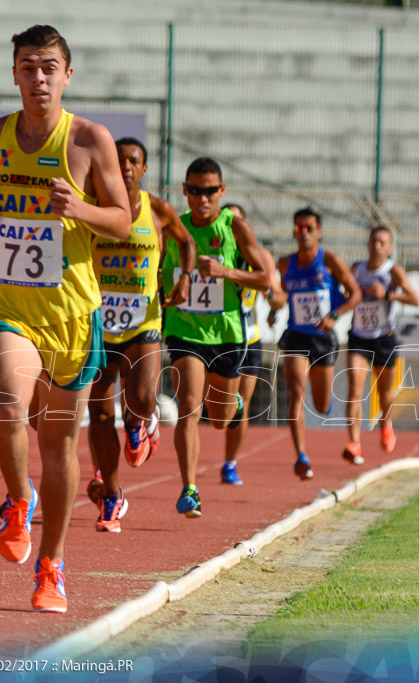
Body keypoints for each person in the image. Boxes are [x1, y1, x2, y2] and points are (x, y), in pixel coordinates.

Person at [0, 25, 131, 613]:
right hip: (9, 306)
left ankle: (53, 566)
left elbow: (123, 220)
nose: (39, 77)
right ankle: (17, 498)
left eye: (49, 67)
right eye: (28, 66)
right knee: (6, 401)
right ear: (14, 73)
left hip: (73, 315)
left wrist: (79, 208)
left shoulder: (89, 139)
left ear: (67, 75)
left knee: (60, 443)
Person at [85, 137, 196, 532]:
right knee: (98, 413)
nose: (126, 166)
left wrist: (183, 280)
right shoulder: (92, 204)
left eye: (133, 161)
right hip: (97, 323)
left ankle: (139, 423)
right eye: (119, 160)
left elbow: (187, 242)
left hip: (143, 321)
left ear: (143, 169)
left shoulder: (158, 210)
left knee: (144, 397)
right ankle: (112, 497)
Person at [163, 159, 272, 518]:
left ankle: (231, 403)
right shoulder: (173, 228)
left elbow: (265, 279)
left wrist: (226, 271)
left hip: (226, 334)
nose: (202, 198)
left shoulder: (235, 227)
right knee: (190, 405)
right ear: (185, 190)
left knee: (222, 419)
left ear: (221, 191)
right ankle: (189, 489)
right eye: (195, 190)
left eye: (210, 191)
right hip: (184, 330)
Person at [278, 207, 360, 480]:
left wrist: (335, 315)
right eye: (299, 228)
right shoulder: (284, 264)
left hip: (323, 337)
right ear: (294, 232)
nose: (304, 233)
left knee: (321, 403)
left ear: (319, 232)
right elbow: (279, 294)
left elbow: (355, 294)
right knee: (296, 392)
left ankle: (323, 408)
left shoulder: (330, 261)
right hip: (297, 335)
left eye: (309, 228)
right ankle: (301, 456)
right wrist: (272, 307)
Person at [220, 203, 285, 486]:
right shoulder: (211, 252)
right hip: (214, 338)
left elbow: (280, 297)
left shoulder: (259, 257)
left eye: (238, 221)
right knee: (215, 409)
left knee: (240, 407)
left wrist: (271, 298)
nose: (233, 226)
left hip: (248, 339)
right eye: (228, 220)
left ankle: (230, 463)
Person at [342, 226, 419, 462]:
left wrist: (387, 295)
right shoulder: (357, 269)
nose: (377, 246)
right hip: (358, 336)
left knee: (384, 392)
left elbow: (415, 299)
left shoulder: (393, 271)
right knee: (355, 390)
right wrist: (349, 296)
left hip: (384, 338)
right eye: (374, 241)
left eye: (382, 243)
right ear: (367, 244)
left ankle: (385, 423)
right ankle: (354, 443)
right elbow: (345, 292)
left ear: (390, 247)